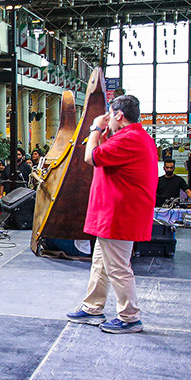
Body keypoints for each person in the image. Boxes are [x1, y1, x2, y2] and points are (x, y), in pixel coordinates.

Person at [67, 94, 158, 334]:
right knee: (100, 263)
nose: (107, 118)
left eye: (110, 114)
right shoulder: (134, 137)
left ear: (119, 115)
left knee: (117, 268)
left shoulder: (129, 139)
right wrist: (104, 134)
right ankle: (92, 307)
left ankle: (130, 317)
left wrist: (95, 129)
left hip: (118, 216)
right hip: (114, 214)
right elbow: (106, 152)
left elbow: (91, 156)